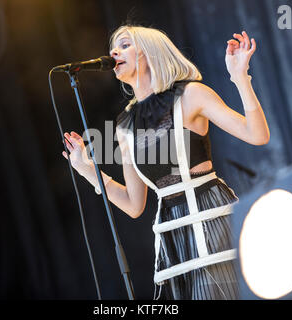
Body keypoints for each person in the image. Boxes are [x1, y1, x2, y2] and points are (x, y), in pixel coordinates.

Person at [61, 25, 269, 300]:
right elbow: (134, 205)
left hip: (209, 213)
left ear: (149, 52)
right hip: (171, 229)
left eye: (124, 45)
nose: (113, 51)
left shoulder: (190, 95)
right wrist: (87, 170)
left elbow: (257, 135)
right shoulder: (125, 125)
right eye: (113, 46)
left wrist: (240, 78)